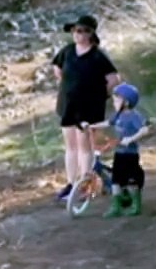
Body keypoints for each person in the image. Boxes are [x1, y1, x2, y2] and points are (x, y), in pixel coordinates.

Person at [51, 14, 121, 203]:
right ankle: (71, 183)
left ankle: (84, 184)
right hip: (68, 104)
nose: (79, 34)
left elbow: (113, 79)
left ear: (91, 34)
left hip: (89, 108)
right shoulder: (67, 51)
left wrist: (100, 95)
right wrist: (67, 86)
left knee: (85, 146)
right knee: (70, 146)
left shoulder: (97, 56)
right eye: (76, 30)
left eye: (83, 31)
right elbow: (57, 69)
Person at [82, 83, 149, 218]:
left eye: (117, 100)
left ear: (126, 102)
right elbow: (108, 123)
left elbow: (145, 129)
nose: (114, 103)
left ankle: (136, 205)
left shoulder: (134, 116)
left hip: (130, 155)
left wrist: (130, 139)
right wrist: (92, 126)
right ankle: (116, 206)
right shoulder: (118, 115)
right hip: (119, 153)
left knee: (131, 181)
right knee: (116, 180)